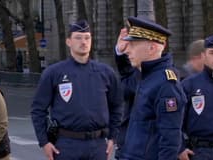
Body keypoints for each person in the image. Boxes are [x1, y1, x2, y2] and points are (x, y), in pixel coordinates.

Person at [30, 20, 123, 160]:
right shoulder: (54, 73)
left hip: (97, 145)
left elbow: (117, 106)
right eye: (78, 38)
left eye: (87, 37)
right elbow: (38, 109)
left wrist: (113, 138)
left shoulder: (106, 73)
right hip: (66, 145)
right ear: (69, 42)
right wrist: (44, 142)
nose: (83, 42)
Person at [117, 16, 186, 160]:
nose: (127, 50)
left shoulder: (166, 83)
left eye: (133, 44)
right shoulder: (146, 75)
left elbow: (170, 139)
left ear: (152, 48)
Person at [113, 28, 140, 159]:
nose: (128, 50)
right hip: (127, 143)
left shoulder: (164, 76)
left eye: (133, 45)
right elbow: (127, 73)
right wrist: (120, 52)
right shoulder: (135, 74)